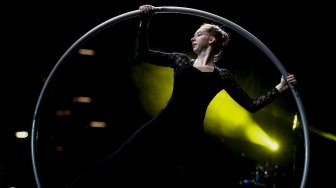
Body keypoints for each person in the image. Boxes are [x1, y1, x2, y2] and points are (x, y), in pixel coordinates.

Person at [69, 4, 297, 187]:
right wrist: (145, 21)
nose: (192, 38)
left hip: (190, 135)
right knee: (121, 158)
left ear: (211, 40)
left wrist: (278, 88)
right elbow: (142, 54)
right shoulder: (180, 60)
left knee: (174, 177)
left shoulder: (222, 76)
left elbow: (252, 104)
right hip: (164, 124)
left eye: (198, 34)